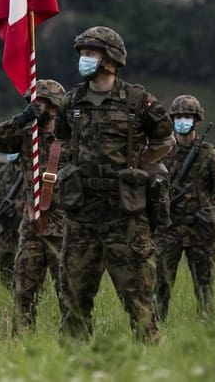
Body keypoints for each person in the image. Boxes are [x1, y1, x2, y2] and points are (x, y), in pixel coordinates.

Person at [56, 26, 174, 343]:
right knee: (73, 302)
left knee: (139, 303)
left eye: (91, 53)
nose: (84, 59)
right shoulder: (71, 103)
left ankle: (150, 368)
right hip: (82, 214)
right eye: (82, 53)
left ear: (110, 59)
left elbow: (165, 139)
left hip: (125, 214)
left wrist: (140, 165)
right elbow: (63, 140)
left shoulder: (138, 101)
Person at [0, 79, 67, 331]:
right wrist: (21, 119)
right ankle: (22, 340)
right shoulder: (25, 137)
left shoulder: (69, 138)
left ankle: (75, 339)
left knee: (68, 292)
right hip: (32, 227)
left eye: (41, 102)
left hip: (62, 228)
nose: (37, 107)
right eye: (33, 103)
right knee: (23, 291)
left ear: (54, 107)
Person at [154, 94, 215, 320]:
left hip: (200, 231)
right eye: (179, 116)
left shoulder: (208, 154)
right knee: (161, 285)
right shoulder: (163, 151)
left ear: (197, 120)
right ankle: (156, 328)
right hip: (169, 229)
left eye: (188, 116)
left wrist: (212, 211)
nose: (183, 120)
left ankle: (206, 328)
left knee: (204, 288)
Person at [0, 153, 25, 291]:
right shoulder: (4, 172)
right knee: (6, 274)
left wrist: (19, 206)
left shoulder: (33, 171)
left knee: (29, 271)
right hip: (5, 233)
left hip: (26, 231)